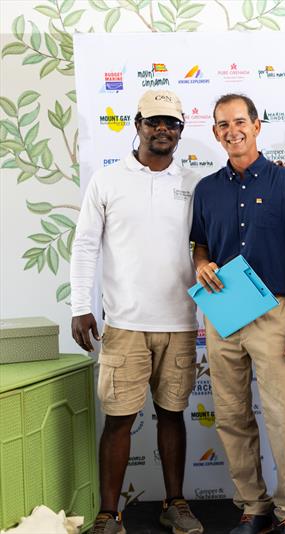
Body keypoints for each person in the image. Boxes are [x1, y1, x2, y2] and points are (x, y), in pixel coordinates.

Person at [70, 90, 203, 534]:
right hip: (124, 323)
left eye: (173, 122)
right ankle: (109, 513)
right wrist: (79, 306)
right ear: (137, 123)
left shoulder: (194, 183)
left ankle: (176, 503)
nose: (163, 129)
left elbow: (211, 244)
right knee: (119, 419)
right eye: (154, 121)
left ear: (181, 130)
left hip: (182, 321)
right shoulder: (107, 180)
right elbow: (86, 244)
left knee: (172, 415)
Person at [190, 93, 285, 534]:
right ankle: (253, 505)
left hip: (274, 313)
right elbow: (201, 245)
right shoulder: (207, 189)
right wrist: (200, 264)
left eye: (240, 121)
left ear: (257, 125)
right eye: (223, 124)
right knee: (230, 415)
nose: (233, 130)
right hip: (222, 312)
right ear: (215, 132)